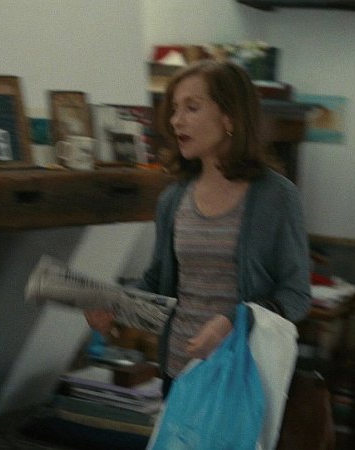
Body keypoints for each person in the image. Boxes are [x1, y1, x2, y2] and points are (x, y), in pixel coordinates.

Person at [84, 59, 311, 395]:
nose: (176, 120)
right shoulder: (173, 198)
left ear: (229, 117)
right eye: (175, 109)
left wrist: (233, 322)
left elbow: (296, 295)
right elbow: (159, 280)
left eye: (192, 107)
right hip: (178, 373)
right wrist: (117, 304)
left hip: (239, 378)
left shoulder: (275, 196)